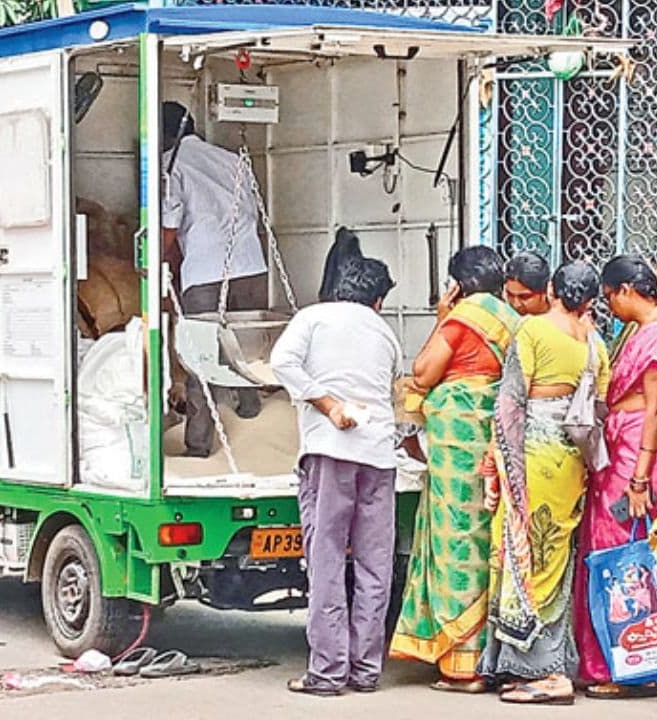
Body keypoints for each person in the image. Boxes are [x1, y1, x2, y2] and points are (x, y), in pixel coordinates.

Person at [391, 246, 522, 692]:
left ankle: (462, 664)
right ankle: (493, 654)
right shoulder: (510, 318)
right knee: (489, 541)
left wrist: (442, 317)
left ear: (457, 284)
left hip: (457, 441)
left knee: (455, 543)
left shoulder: (464, 316)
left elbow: (424, 372)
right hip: (496, 435)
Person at [478, 261, 609, 706]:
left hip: (532, 456)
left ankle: (547, 672)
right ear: (590, 301)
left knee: (522, 556)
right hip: (570, 463)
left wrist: (504, 464)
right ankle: (530, 663)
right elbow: (599, 407)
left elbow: (511, 403)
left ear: (552, 289)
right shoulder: (594, 343)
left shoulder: (532, 331)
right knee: (552, 559)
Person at [270, 255, 401, 697]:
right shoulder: (385, 332)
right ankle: (365, 670)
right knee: (373, 564)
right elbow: (392, 387)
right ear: (378, 300)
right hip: (379, 455)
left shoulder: (313, 318)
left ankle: (326, 672)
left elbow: (281, 362)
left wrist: (325, 404)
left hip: (330, 453)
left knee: (325, 560)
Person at [573, 255, 657, 700]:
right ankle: (644, 660)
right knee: (634, 549)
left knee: (622, 549)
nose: (610, 307)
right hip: (625, 443)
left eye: (610, 298)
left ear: (626, 290)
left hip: (642, 451)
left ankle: (622, 665)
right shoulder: (641, 330)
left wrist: (640, 477)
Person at [161, 101, 269, 457]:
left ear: (164, 135)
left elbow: (170, 228)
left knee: (200, 359)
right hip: (251, 266)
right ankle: (254, 420)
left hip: (206, 273)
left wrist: (155, 267)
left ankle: (198, 447)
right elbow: (253, 211)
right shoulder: (232, 160)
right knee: (248, 352)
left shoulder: (171, 164)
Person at [503, 250, 553, 316]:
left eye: (524, 297)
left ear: (545, 292)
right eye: (510, 295)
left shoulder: (560, 323)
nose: (516, 304)